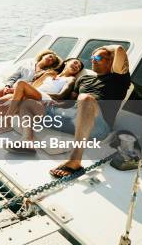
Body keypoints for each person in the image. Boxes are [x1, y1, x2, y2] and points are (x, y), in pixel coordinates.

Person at [12, 45, 130, 176]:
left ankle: (75, 161)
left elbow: (119, 50)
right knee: (27, 103)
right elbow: (71, 102)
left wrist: (105, 48)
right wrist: (56, 104)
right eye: (92, 57)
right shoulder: (84, 79)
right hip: (72, 119)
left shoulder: (119, 79)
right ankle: (27, 140)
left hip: (97, 125)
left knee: (85, 99)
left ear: (110, 62)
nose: (93, 59)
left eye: (98, 57)